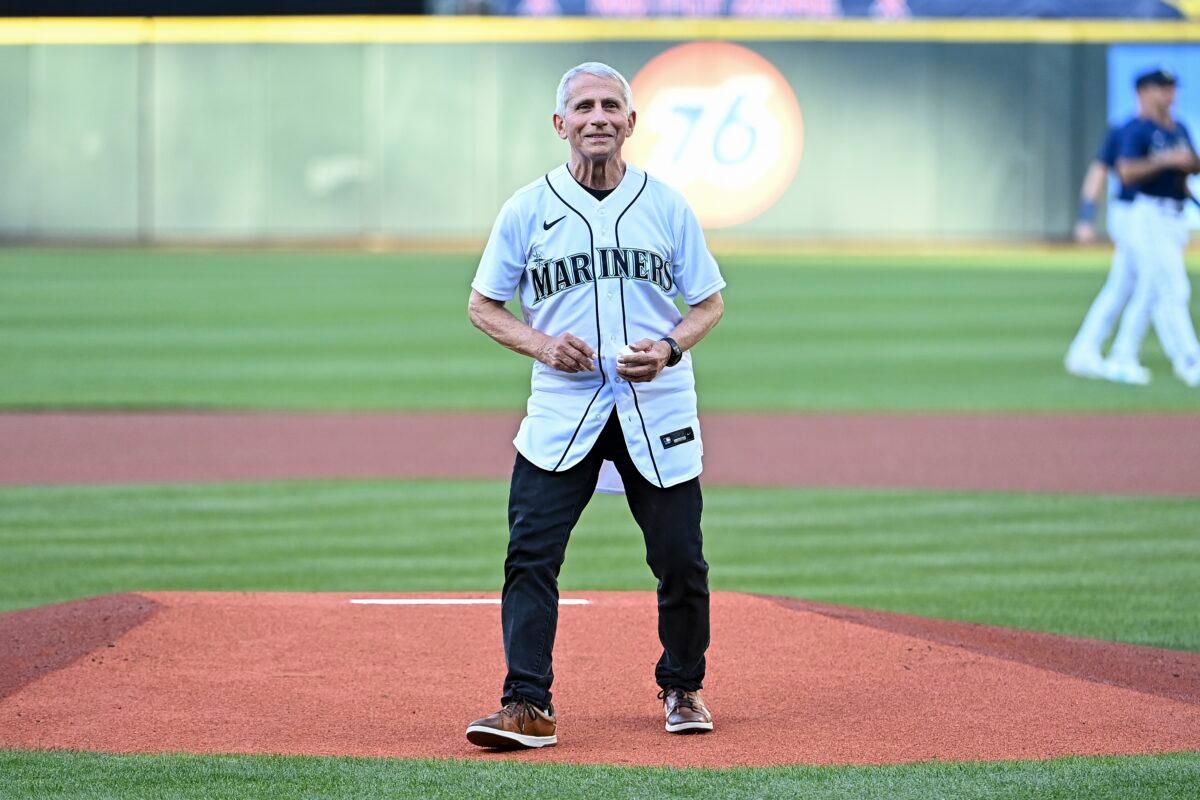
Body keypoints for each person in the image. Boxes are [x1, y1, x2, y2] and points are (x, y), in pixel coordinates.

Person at [464, 62, 726, 749]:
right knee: (530, 553)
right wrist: (541, 345)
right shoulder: (528, 207)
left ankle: (683, 685)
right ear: (561, 124)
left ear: (632, 122)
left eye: (612, 105)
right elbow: (483, 305)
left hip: (657, 401)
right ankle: (526, 704)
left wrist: (669, 346)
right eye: (584, 107)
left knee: (680, 559)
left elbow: (709, 302)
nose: (599, 117)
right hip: (563, 405)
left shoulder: (666, 205)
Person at [1113, 67, 1200, 388]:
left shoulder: (1179, 128)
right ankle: (1190, 360)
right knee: (1175, 289)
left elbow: (1194, 164)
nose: (1169, 94)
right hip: (1148, 215)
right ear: (1144, 92)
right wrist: (1165, 161)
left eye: (1171, 87)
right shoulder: (1138, 130)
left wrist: (1185, 161)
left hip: (1177, 215)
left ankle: (1123, 354)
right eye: (1161, 88)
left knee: (1151, 290)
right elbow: (1126, 172)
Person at [1064, 118, 1145, 384]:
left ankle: (1086, 350)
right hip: (1134, 215)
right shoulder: (1126, 131)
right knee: (1161, 285)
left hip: (1166, 219)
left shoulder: (1174, 131)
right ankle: (1126, 353)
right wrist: (1086, 217)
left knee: (1123, 286)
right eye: (1161, 88)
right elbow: (1099, 171)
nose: (1169, 95)